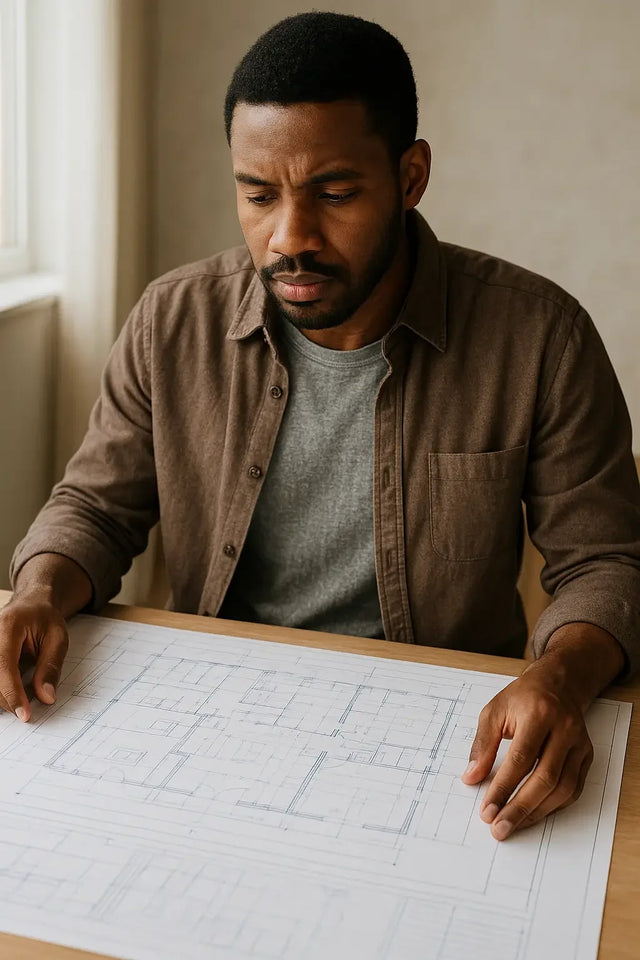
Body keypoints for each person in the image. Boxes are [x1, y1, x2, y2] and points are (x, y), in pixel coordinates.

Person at [2, 12, 640, 842]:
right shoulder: (173, 320)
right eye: (258, 194)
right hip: (205, 712)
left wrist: (559, 676)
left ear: (410, 176)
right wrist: (38, 591)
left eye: (334, 194)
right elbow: (95, 507)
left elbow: (608, 561)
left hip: (441, 740)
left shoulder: (540, 337)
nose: (290, 238)